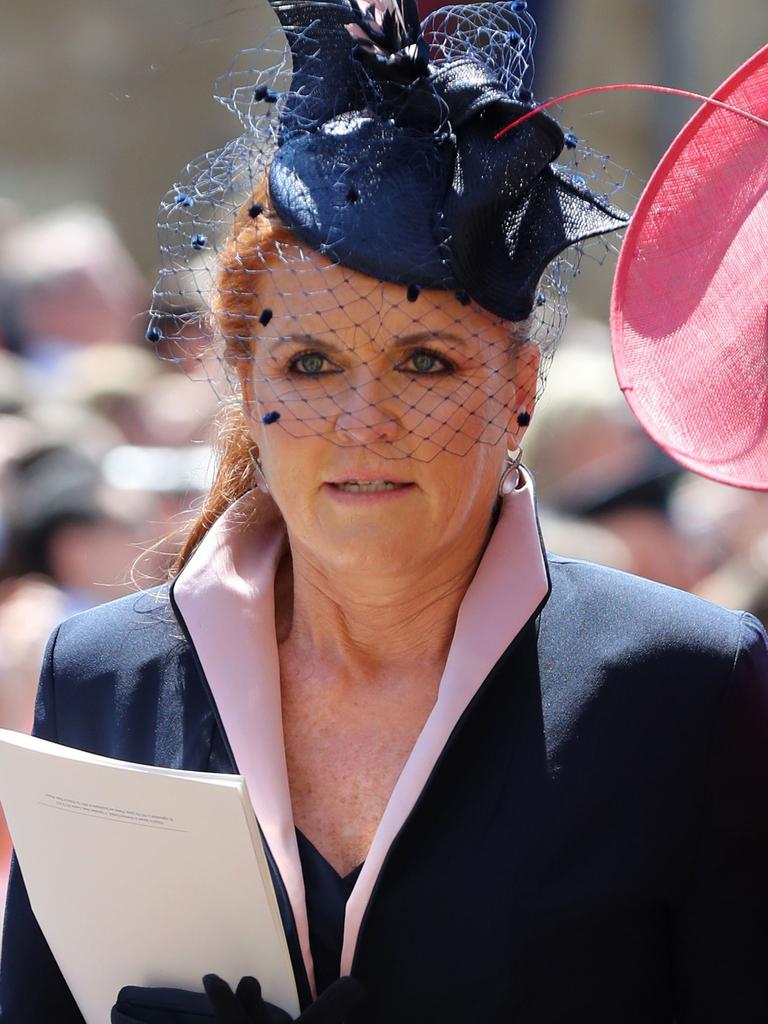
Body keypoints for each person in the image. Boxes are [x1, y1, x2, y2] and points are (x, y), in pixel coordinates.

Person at [2, 2, 767, 1022]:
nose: (366, 422)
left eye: (426, 362)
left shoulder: (686, 687)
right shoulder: (101, 678)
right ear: (243, 381)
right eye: (311, 365)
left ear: (520, 389)